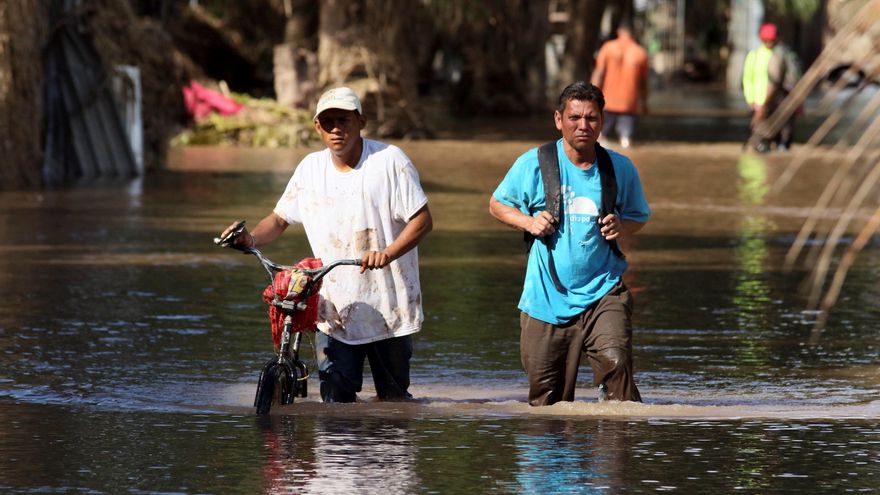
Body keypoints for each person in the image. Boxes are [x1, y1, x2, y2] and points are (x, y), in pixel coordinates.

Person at [220, 86, 433, 403]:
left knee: (394, 402)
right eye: (328, 122)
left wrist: (387, 254)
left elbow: (422, 220)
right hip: (335, 307)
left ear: (360, 121)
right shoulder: (310, 169)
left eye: (344, 120)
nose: (337, 129)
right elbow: (278, 220)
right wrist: (248, 239)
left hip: (390, 306)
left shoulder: (390, 162)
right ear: (317, 127)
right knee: (335, 402)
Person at [489, 81, 650, 406]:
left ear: (602, 122)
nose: (583, 126)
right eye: (575, 117)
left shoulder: (620, 168)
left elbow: (639, 216)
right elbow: (497, 204)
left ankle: (616, 449)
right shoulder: (533, 163)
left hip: (604, 291)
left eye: (591, 118)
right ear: (558, 119)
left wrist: (621, 225)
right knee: (548, 402)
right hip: (546, 297)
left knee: (617, 366)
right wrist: (529, 222)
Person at [742, 22, 801, 152]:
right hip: (759, 100)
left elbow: (786, 80)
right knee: (760, 132)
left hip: (777, 100)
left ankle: (780, 147)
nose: (769, 42)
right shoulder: (754, 56)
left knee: (781, 131)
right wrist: (751, 99)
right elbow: (747, 79)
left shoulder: (781, 55)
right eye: (766, 40)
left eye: (772, 40)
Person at [590, 23, 649, 149]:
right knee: (626, 141)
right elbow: (643, 82)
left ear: (619, 32)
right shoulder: (640, 52)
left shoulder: (608, 48)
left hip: (608, 101)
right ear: (633, 34)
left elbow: (599, 73)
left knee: (599, 137)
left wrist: (590, 96)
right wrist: (644, 103)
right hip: (629, 103)